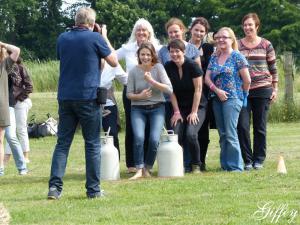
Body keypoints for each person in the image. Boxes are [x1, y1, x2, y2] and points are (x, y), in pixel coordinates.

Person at [47, 7, 117, 200]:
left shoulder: (62, 38)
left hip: (66, 97)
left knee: (62, 144)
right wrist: (103, 36)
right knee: (92, 144)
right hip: (88, 97)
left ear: (76, 21)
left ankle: (54, 188)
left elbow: (75, 62)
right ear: (93, 24)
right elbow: (113, 61)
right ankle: (93, 190)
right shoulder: (95, 38)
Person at [116, 18, 161, 173]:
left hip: (152, 92)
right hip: (132, 92)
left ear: (149, 32)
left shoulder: (158, 48)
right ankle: (132, 164)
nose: (141, 32)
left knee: (150, 127)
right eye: (138, 30)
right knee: (132, 126)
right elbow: (111, 59)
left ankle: (147, 164)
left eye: (144, 30)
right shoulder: (127, 48)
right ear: (135, 32)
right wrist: (123, 77)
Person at [205, 27, 251, 172]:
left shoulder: (237, 57)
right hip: (216, 98)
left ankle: (236, 167)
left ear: (232, 39)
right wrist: (216, 90)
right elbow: (206, 78)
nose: (220, 40)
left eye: (224, 37)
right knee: (222, 133)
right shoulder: (214, 56)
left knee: (231, 133)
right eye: (218, 37)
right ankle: (225, 165)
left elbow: (247, 80)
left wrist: (244, 96)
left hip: (233, 99)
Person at [159, 18, 201, 172]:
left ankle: (196, 165)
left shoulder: (193, 65)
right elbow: (171, 91)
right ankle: (179, 165)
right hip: (178, 105)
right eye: (172, 52)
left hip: (197, 105)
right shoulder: (168, 66)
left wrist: (194, 112)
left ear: (184, 51)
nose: (175, 54)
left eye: (177, 51)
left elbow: (198, 89)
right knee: (175, 134)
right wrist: (176, 112)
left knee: (190, 134)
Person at [237, 13, 278, 170]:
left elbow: (273, 69)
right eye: (245, 25)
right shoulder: (238, 45)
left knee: (260, 127)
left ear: (257, 27)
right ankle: (247, 160)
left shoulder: (266, 44)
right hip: (243, 91)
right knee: (242, 126)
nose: (247, 28)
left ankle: (258, 159)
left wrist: (275, 89)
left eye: (250, 25)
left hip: (263, 89)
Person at [126, 42, 172, 180]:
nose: (145, 57)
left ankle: (148, 167)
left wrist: (152, 81)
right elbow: (129, 94)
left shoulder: (158, 68)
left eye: (148, 54)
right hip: (138, 109)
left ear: (152, 55)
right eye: (142, 54)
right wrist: (139, 96)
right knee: (139, 137)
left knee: (154, 139)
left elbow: (169, 90)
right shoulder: (134, 71)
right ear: (138, 56)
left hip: (157, 107)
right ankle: (139, 169)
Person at [189, 17, 215, 171]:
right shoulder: (183, 46)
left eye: (202, 31)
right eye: (196, 30)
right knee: (188, 130)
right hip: (185, 92)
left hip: (204, 93)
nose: (198, 33)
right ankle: (188, 162)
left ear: (205, 33)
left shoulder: (209, 49)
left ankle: (201, 161)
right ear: (191, 29)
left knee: (203, 131)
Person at [5, 56, 33, 164]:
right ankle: (6, 157)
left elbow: (29, 87)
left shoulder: (21, 68)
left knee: (21, 129)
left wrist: (19, 99)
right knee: (10, 131)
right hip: (10, 103)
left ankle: (26, 156)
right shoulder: (5, 68)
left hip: (21, 102)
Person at [0, 41, 21, 176]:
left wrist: (2, 44)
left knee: (0, 138)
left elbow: (16, 50)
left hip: (1, 106)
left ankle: (0, 168)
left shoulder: (4, 65)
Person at [100, 61, 127, 157]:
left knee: (112, 134)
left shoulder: (111, 65)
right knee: (92, 138)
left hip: (108, 105)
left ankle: (114, 164)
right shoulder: (86, 63)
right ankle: (95, 168)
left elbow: (126, 80)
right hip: (90, 105)